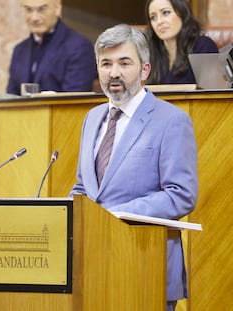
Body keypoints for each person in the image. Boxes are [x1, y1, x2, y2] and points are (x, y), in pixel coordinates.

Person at [69, 24, 198, 311]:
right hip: (92, 269)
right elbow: (83, 187)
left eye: (124, 63)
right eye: (106, 63)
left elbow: (181, 194)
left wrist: (115, 216)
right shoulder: (92, 119)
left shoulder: (171, 121)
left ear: (144, 70)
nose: (114, 72)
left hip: (145, 264)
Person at [6, 0, 97, 95]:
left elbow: (74, 100)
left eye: (42, 9)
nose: (34, 18)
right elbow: (12, 96)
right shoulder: (19, 50)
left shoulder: (79, 46)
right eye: (29, 10)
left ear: (57, 8)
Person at [144, 0, 218, 84]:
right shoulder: (151, 50)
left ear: (182, 13)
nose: (159, 22)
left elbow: (213, 93)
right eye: (153, 17)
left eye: (166, 13)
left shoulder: (204, 46)